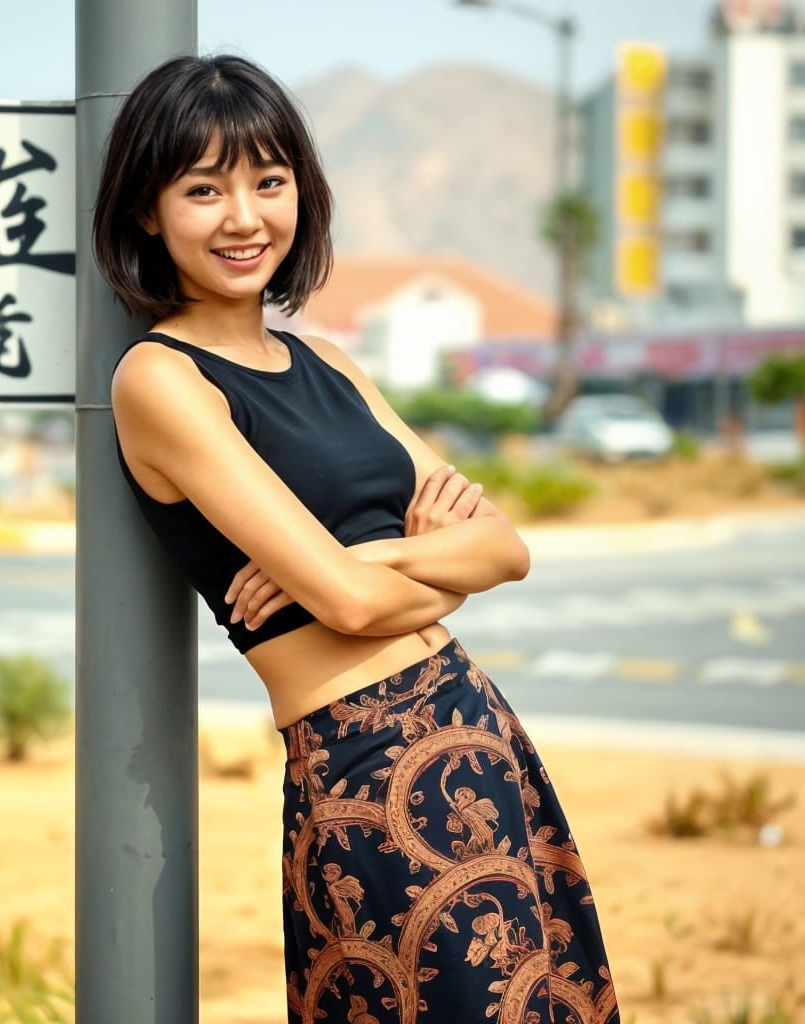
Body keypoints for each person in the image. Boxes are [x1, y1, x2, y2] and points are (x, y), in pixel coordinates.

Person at [92, 52, 621, 1024]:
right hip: (368, 768)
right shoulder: (161, 380)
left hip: (473, 730)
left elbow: (505, 548)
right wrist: (398, 571)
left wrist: (375, 560)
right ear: (146, 210)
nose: (244, 216)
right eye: (203, 189)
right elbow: (343, 608)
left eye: (268, 180)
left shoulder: (326, 361)